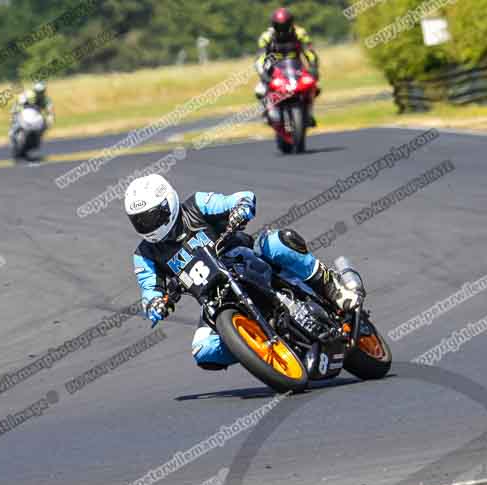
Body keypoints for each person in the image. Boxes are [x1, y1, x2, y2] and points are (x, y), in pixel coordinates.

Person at [124, 174, 360, 371]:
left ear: (168, 204)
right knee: (203, 350)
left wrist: (240, 208)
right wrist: (155, 305)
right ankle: (258, 348)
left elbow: (241, 197)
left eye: (152, 217)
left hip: (244, 260)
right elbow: (149, 290)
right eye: (140, 221)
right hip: (214, 300)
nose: (148, 226)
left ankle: (333, 288)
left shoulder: (195, 205)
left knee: (276, 242)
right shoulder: (144, 254)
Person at [253, 7, 320, 126]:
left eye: (285, 25)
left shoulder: (300, 33)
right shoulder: (266, 36)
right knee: (260, 90)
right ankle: (268, 113)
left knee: (314, 87)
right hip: (274, 69)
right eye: (279, 26)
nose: (282, 29)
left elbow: (309, 52)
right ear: (274, 24)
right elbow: (260, 58)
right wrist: (263, 74)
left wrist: (313, 67)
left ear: (291, 22)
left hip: (296, 67)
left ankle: (309, 113)